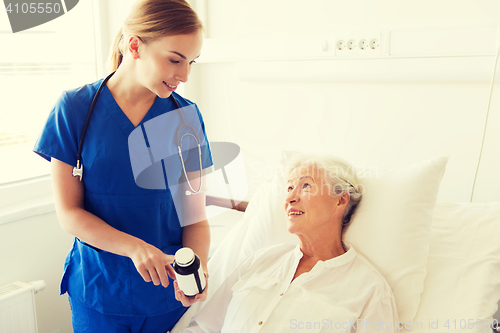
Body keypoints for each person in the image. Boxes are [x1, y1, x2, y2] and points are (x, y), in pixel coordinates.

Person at [33, 0, 212, 332]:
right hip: (100, 293)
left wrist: (195, 268)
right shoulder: (74, 109)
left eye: (191, 62)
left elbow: (196, 220)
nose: (184, 75)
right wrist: (135, 247)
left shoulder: (186, 118)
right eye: (175, 59)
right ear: (134, 46)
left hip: (167, 298)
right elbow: (68, 212)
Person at [182, 154, 399, 332]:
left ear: (340, 200)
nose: (289, 199)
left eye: (306, 185)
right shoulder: (259, 262)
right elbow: (204, 328)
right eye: (288, 189)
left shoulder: (370, 290)